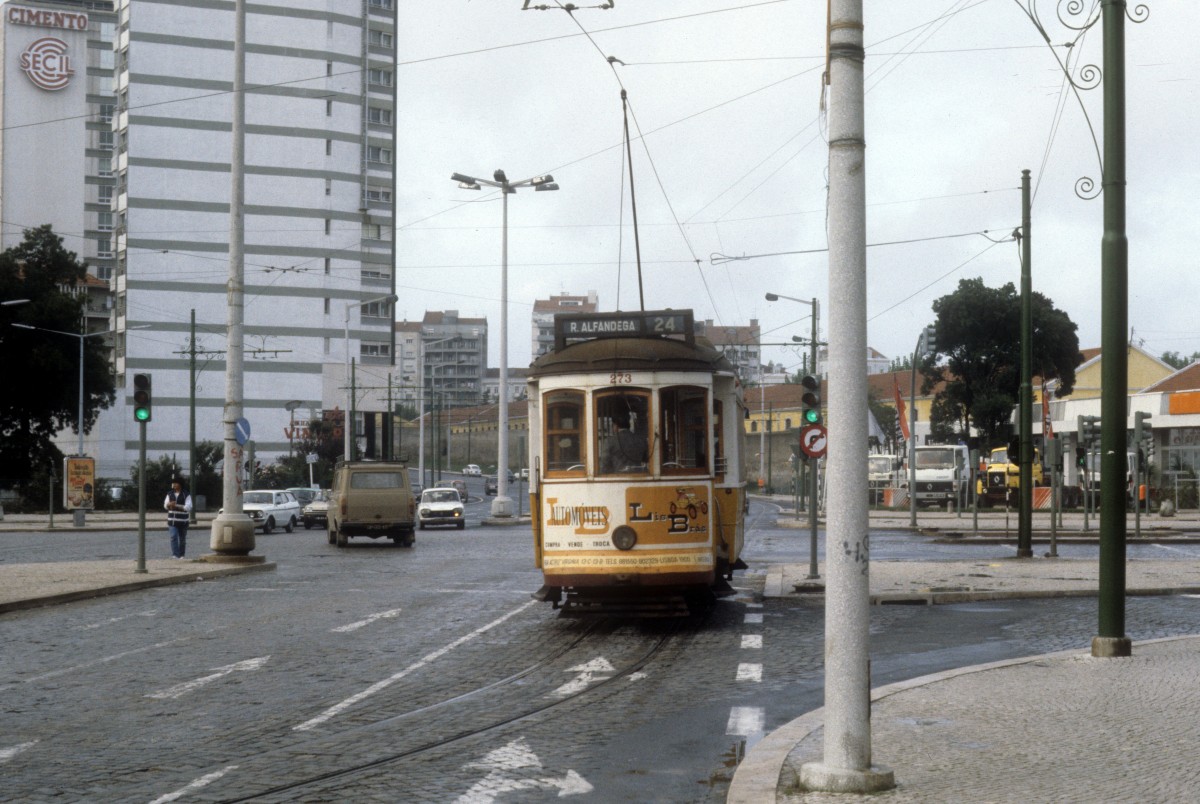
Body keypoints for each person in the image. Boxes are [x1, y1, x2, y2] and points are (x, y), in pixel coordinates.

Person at [164, 478, 192, 559]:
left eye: (176, 483)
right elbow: (165, 505)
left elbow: (188, 507)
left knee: (182, 539)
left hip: (183, 521)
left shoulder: (186, 494)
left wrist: (176, 506)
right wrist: (169, 504)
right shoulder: (169, 494)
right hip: (172, 521)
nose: (174, 485)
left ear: (180, 484)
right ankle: (175, 555)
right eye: (173, 483)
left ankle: (181, 555)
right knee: (173, 536)